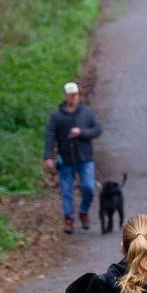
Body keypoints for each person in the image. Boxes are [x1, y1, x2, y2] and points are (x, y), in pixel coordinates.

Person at [44, 82, 103, 234]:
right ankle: (68, 219)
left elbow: (97, 130)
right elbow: (50, 136)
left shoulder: (87, 113)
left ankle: (83, 211)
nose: (74, 97)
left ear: (79, 95)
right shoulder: (57, 116)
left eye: (76, 95)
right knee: (66, 191)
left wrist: (81, 132)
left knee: (89, 187)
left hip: (85, 158)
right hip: (66, 159)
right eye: (71, 95)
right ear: (65, 96)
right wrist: (48, 156)